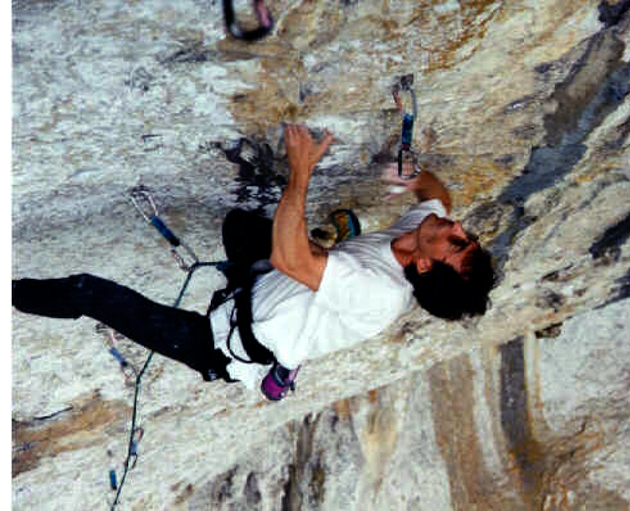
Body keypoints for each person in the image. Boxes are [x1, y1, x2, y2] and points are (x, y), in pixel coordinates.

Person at [12, 124, 495, 400]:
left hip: (222, 346)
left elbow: (289, 258)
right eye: (464, 236)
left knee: (86, 292)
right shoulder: (420, 234)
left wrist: (301, 170)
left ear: (428, 267)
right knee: (240, 225)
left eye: (455, 244)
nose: (455, 228)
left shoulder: (380, 292)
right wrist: (412, 176)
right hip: (256, 285)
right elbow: (439, 195)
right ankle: (320, 255)